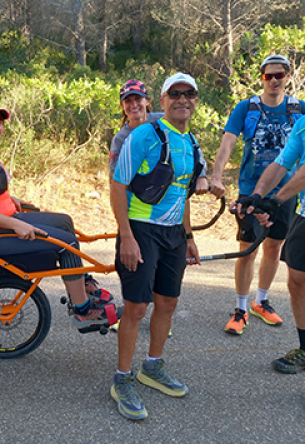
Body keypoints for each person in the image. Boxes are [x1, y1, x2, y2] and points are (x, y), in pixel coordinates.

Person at [0, 98, 120, 328]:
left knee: (64, 222)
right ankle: (83, 311)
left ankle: (82, 282)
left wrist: (11, 200)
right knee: (65, 243)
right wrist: (16, 225)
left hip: (4, 221)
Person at [110, 72, 201, 420]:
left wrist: (189, 236)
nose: (182, 99)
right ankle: (122, 378)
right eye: (174, 94)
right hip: (141, 229)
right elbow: (118, 187)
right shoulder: (144, 135)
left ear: (195, 101)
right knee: (136, 307)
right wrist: (127, 237)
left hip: (173, 233)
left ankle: (152, 366)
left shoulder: (191, 140)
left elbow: (183, 191)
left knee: (168, 302)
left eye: (188, 94)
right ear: (161, 102)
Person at [211, 54, 305, 335]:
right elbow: (227, 144)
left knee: (274, 247)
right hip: (253, 190)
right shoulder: (247, 108)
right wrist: (217, 176)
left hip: (287, 193)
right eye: (269, 76)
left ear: (288, 77)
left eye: (280, 75)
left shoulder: (299, 110)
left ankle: (261, 301)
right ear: (261, 77)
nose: (274, 80)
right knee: (247, 250)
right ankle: (240, 309)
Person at [236, 113, 305, 374]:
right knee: (297, 280)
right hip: (304, 212)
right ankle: (304, 348)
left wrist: (277, 200)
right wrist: (257, 195)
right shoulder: (302, 125)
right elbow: (281, 164)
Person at [109, 78, 209, 195]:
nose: (133, 105)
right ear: (122, 106)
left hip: (172, 194)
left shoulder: (163, 121)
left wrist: (201, 175)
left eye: (138, 99)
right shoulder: (120, 138)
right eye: (128, 101)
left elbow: (189, 143)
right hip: (139, 199)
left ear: (147, 101)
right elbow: (114, 177)